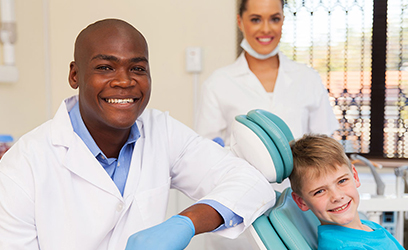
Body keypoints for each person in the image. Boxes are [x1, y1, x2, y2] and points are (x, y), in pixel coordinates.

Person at [0, 19, 276, 250]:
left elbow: (251, 183)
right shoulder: (22, 167)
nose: (124, 81)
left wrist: (187, 222)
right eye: (105, 67)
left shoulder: (162, 131)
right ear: (75, 75)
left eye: (137, 68)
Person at [195, 0, 339, 147]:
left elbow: (324, 147)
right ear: (240, 21)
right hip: (238, 171)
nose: (266, 29)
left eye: (275, 19)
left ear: (283, 20)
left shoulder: (308, 78)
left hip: (299, 171)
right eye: (255, 20)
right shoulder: (217, 84)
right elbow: (207, 152)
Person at [290, 134, 404, 250]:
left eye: (342, 181)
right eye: (319, 191)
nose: (337, 196)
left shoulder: (369, 226)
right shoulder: (345, 247)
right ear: (301, 201)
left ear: (355, 176)